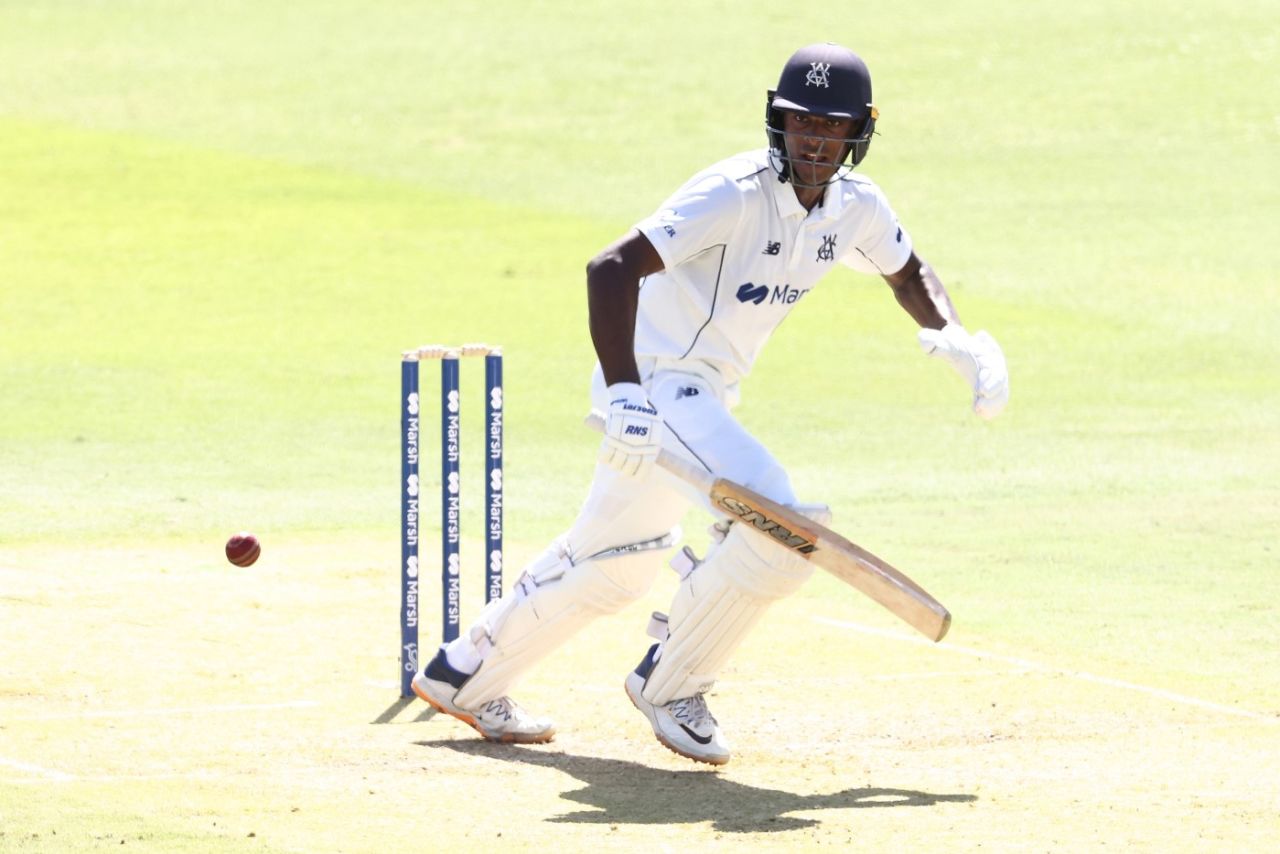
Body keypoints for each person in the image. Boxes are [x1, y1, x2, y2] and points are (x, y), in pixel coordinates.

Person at [411, 42, 1009, 766]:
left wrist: (956, 337)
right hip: (656, 386)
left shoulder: (855, 208)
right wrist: (626, 391)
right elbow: (611, 268)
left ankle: (464, 675)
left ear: (859, 132)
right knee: (783, 529)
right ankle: (670, 684)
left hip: (703, 395)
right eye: (801, 122)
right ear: (778, 121)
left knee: (618, 562)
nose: (814, 140)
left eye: (832, 127)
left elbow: (908, 272)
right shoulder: (733, 191)